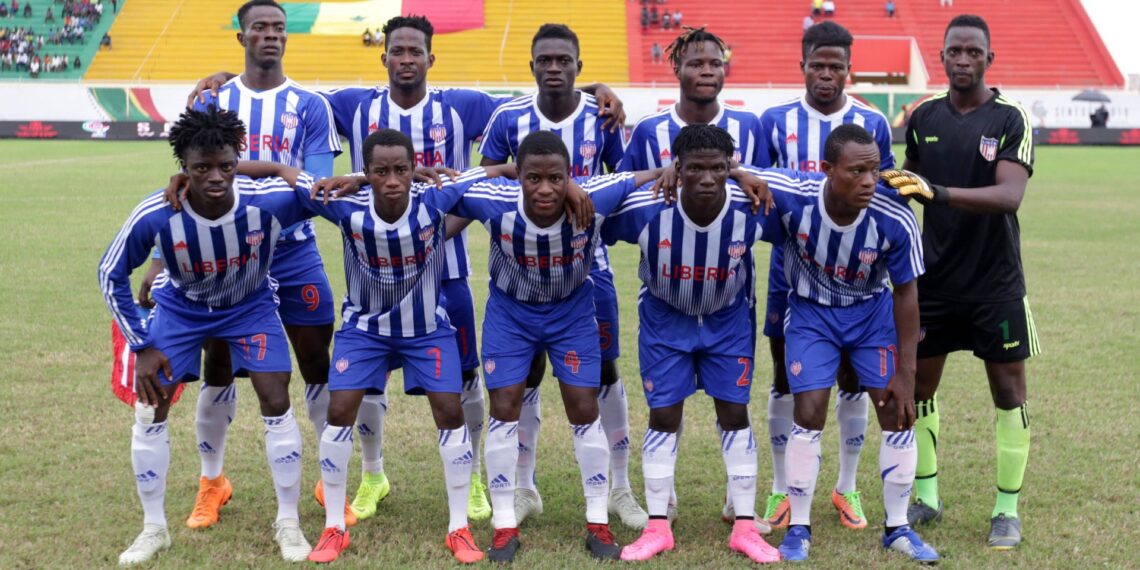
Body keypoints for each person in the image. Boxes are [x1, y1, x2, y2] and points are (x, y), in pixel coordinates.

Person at [188, 13, 625, 526]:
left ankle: (479, 477)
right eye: (398, 51)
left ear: (430, 58)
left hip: (448, 271)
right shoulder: (352, 104)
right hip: (378, 276)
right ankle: (373, 474)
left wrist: (595, 87)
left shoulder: (463, 105)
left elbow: (542, 91)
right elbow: (279, 84)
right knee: (367, 381)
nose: (407, 59)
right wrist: (222, 77)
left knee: (465, 378)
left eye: (416, 51)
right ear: (385, 56)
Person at [281, 131, 522, 564]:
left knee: (450, 411)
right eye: (380, 171)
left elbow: (498, 170)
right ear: (367, 173)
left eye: (400, 170)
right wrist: (352, 179)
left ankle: (458, 529)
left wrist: (534, 174)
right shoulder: (344, 204)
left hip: (426, 329)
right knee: (339, 411)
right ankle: (334, 526)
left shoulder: (436, 199)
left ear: (414, 170)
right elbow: (284, 173)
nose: (392, 180)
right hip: (364, 330)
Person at [99, 107, 321, 565]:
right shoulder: (158, 213)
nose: (216, 176)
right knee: (150, 406)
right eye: (201, 168)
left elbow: (332, 190)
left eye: (225, 165)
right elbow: (110, 272)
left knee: (276, 398)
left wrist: (287, 169)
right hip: (182, 308)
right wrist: (141, 345)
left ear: (238, 161)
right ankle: (153, 528)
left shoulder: (269, 202)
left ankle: (289, 523)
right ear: (184, 170)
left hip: (250, 306)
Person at [174, 0, 344, 533]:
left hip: (292, 248)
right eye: (259, 28)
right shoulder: (214, 98)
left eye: (277, 28)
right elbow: (199, 171)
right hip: (225, 251)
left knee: (316, 361)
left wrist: (243, 177)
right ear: (241, 36)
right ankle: (211, 482)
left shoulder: (310, 104)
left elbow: (314, 185)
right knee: (218, 364)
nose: (270, 35)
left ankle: (327, 476)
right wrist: (273, 170)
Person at [477, 23, 647, 531]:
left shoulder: (603, 115)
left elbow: (625, 178)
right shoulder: (508, 116)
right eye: (545, 61)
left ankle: (619, 487)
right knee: (521, 378)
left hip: (585, 271)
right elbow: (488, 178)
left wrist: (581, 192)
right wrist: (560, 182)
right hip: (522, 271)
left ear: (579, 64)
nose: (554, 68)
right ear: (532, 66)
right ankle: (524, 488)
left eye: (564, 61)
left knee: (605, 373)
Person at [749, 124, 938, 564]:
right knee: (809, 410)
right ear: (827, 170)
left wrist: (907, 374)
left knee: (896, 411)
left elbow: (907, 292)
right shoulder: (795, 194)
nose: (869, 181)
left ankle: (897, 528)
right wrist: (741, 177)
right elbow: (729, 172)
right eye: (857, 171)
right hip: (812, 313)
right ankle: (798, 526)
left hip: (871, 315)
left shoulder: (895, 217)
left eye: (874, 170)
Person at [605, 125, 781, 564]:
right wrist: (651, 174)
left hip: (728, 321)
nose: (707, 178)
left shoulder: (753, 203)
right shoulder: (647, 208)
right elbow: (593, 197)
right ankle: (657, 527)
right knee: (664, 415)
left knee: (734, 413)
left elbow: (813, 189)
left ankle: (744, 526)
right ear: (677, 169)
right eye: (695, 168)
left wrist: (746, 175)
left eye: (718, 169)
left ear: (730, 168)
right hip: (666, 321)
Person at [620, 27, 769, 528]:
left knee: (733, 403)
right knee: (667, 403)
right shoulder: (648, 132)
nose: (706, 71)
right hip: (666, 286)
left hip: (730, 292)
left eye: (714, 63)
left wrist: (743, 172)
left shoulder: (749, 126)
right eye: (696, 63)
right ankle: (667, 498)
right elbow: (626, 195)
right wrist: (662, 171)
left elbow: (765, 194)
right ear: (676, 69)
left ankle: (738, 500)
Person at [900, 14, 1036, 550]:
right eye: (953, 51)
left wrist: (938, 193)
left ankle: (1007, 510)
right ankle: (928, 496)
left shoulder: (1010, 118)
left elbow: (1009, 197)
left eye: (972, 52)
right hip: (932, 282)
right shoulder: (924, 115)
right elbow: (906, 178)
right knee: (920, 389)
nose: (962, 60)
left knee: (1008, 391)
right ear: (942, 57)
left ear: (988, 59)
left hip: (995, 283)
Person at [758, 21, 895, 532]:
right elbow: (759, 190)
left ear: (848, 69)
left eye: (836, 66)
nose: (826, 74)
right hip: (790, 273)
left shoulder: (872, 120)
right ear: (803, 66)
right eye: (818, 64)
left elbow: (885, 188)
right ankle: (780, 490)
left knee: (854, 380)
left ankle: (847, 487)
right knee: (785, 379)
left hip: (858, 277)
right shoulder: (774, 120)